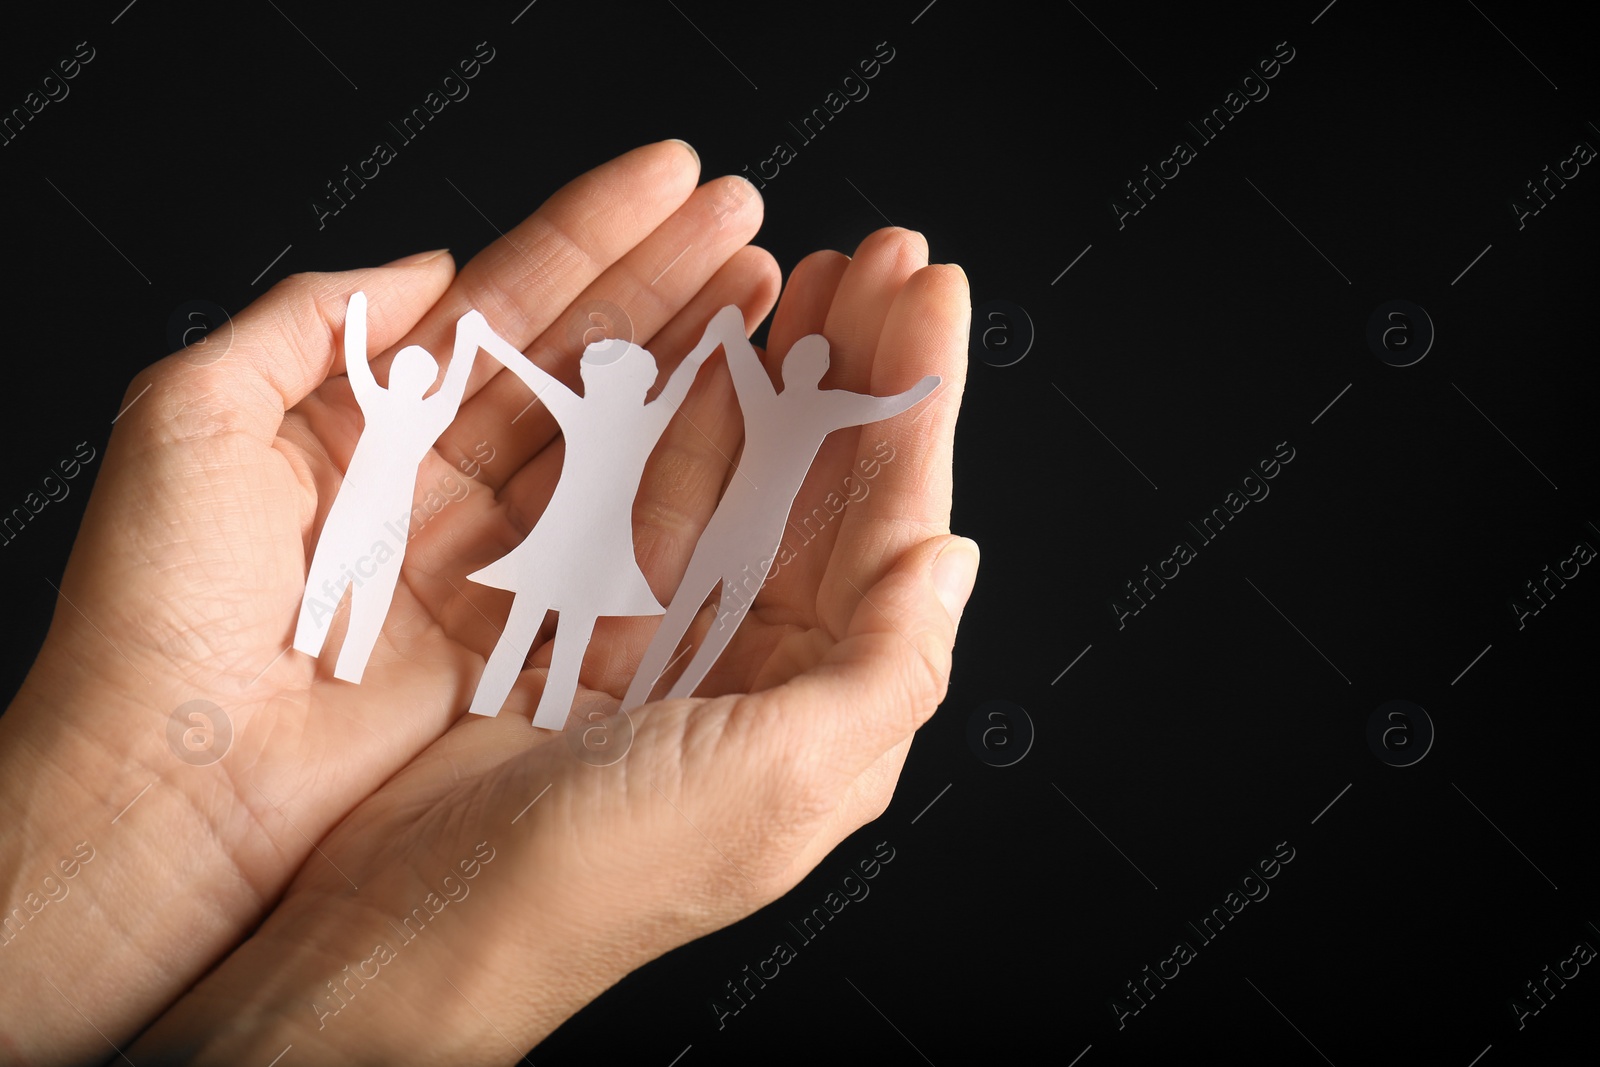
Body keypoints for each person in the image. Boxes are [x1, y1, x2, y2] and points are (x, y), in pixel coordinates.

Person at [0, 140, 976, 1063]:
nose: (603, 370)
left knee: (651, 618)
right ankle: (379, 653)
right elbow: (558, 379)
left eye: (612, 365)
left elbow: (715, 375)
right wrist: (482, 351)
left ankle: (599, 670)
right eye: (602, 364)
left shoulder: (648, 407)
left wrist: (906, 388)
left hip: (623, 540)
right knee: (461, 594)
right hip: (553, 535)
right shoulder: (558, 402)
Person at [459, 304, 749, 729]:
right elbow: (679, 382)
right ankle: (522, 709)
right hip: (571, 545)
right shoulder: (635, 419)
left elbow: (529, 372)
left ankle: (522, 708)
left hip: (581, 546)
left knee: (538, 627)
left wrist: (485, 337)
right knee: (550, 628)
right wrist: (710, 341)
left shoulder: (621, 418)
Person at [622, 329, 938, 711]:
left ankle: (653, 703)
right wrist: (922, 388)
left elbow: (881, 406)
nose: (800, 365)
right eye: (799, 358)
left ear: (814, 368)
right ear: (798, 366)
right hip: (740, 531)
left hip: (744, 532)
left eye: (808, 359)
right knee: (705, 617)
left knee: (709, 619)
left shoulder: (790, 402)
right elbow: (884, 405)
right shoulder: (803, 404)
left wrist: (921, 390)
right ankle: (645, 702)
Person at [292, 290, 477, 683]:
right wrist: (467, 340)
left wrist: (359, 315)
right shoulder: (419, 411)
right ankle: (322, 650)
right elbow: (451, 388)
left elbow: (360, 365)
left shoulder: (395, 406)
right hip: (370, 512)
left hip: (373, 513)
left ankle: (334, 655)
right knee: (346, 576)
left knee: (351, 579)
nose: (402, 377)